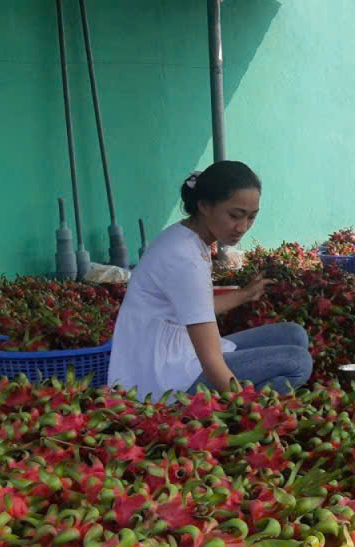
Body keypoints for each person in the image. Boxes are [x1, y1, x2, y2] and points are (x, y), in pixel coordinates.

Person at [108, 161, 312, 400]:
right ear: (204, 205)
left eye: (251, 217)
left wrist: (245, 294)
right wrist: (246, 412)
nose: (243, 227)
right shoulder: (185, 258)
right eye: (235, 215)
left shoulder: (185, 235)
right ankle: (223, 413)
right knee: (297, 363)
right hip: (163, 380)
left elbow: (194, 308)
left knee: (294, 335)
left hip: (178, 351)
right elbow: (211, 361)